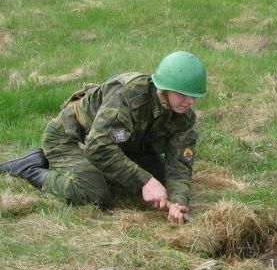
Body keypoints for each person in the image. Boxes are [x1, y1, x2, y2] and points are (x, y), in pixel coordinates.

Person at [0, 51, 206, 223]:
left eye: (194, 96)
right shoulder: (128, 98)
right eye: (182, 94)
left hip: (120, 145)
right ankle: (30, 168)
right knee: (95, 194)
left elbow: (179, 163)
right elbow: (98, 147)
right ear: (164, 89)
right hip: (71, 139)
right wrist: (144, 181)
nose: (189, 101)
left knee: (164, 184)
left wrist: (179, 201)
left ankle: (88, 169)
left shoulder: (184, 116)